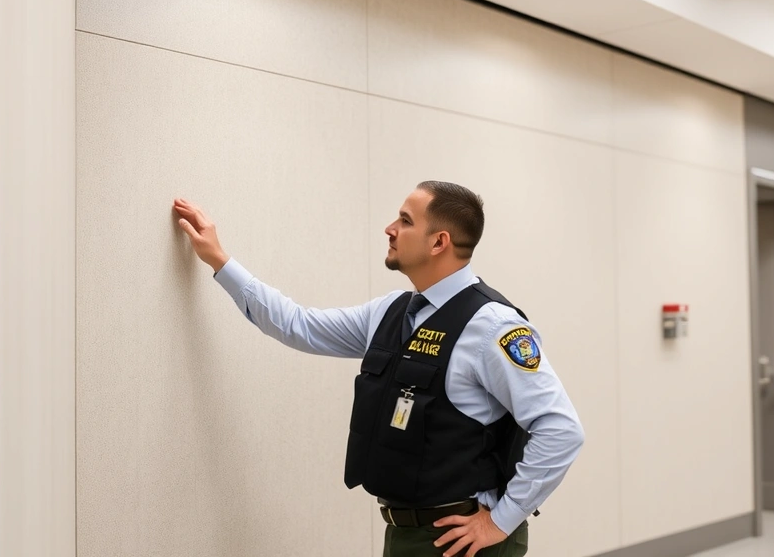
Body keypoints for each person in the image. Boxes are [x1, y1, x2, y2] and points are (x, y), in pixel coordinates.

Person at [173, 181, 584, 557]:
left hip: (464, 542)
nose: (390, 228)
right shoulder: (390, 312)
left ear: (439, 241)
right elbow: (297, 325)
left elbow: (561, 428)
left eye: (405, 220)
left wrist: (501, 520)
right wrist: (220, 260)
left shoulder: (493, 326)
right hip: (404, 536)